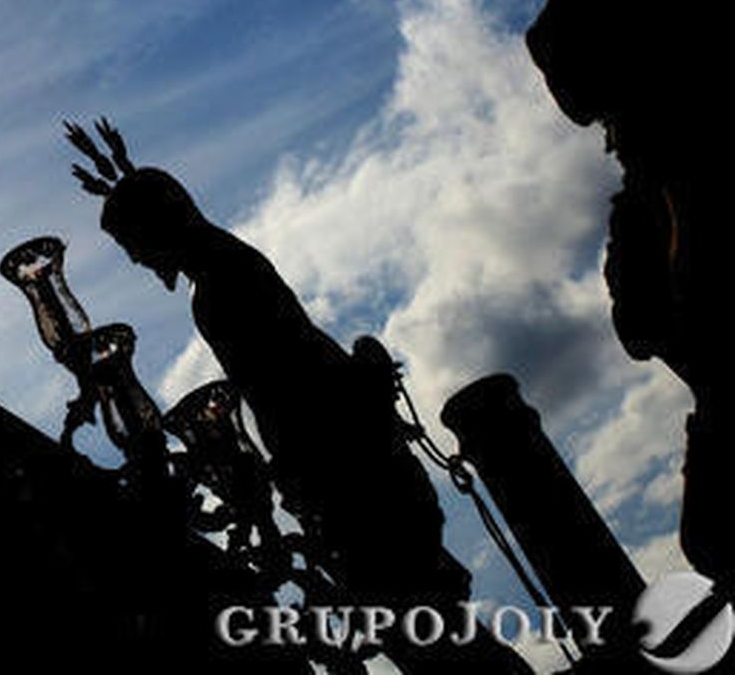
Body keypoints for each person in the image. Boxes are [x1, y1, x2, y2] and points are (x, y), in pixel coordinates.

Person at [69, 122, 532, 673]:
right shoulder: (220, 268)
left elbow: (285, 387)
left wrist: (291, 469)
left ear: (156, 225)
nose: (135, 261)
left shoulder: (218, 284)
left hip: (346, 472)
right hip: (347, 463)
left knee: (428, 633)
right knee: (430, 628)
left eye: (132, 244)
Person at [524, 0, 733, 581]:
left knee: (652, 312)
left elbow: (580, 101)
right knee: (647, 312)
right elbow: (583, 99)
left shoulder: (576, 12)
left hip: (682, 174)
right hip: (665, 179)